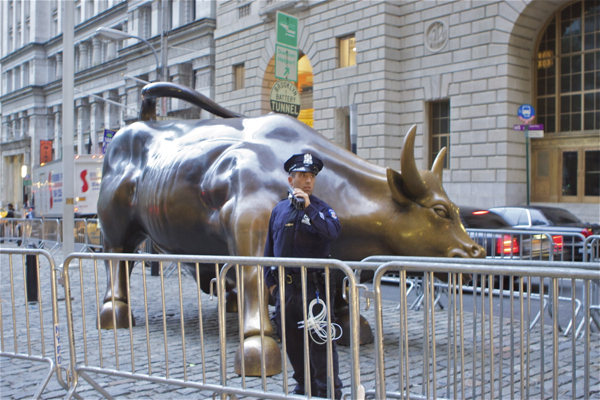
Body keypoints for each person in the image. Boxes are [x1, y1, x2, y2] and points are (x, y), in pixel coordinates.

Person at [263, 153, 343, 399]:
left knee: (321, 345)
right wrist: (272, 286)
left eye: (312, 176)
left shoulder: (322, 209)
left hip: (313, 291)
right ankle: (302, 388)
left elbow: (332, 233)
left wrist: (308, 207)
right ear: (290, 179)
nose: (308, 181)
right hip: (286, 291)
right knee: (293, 344)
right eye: (302, 176)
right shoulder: (278, 210)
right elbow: (268, 249)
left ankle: (327, 392)